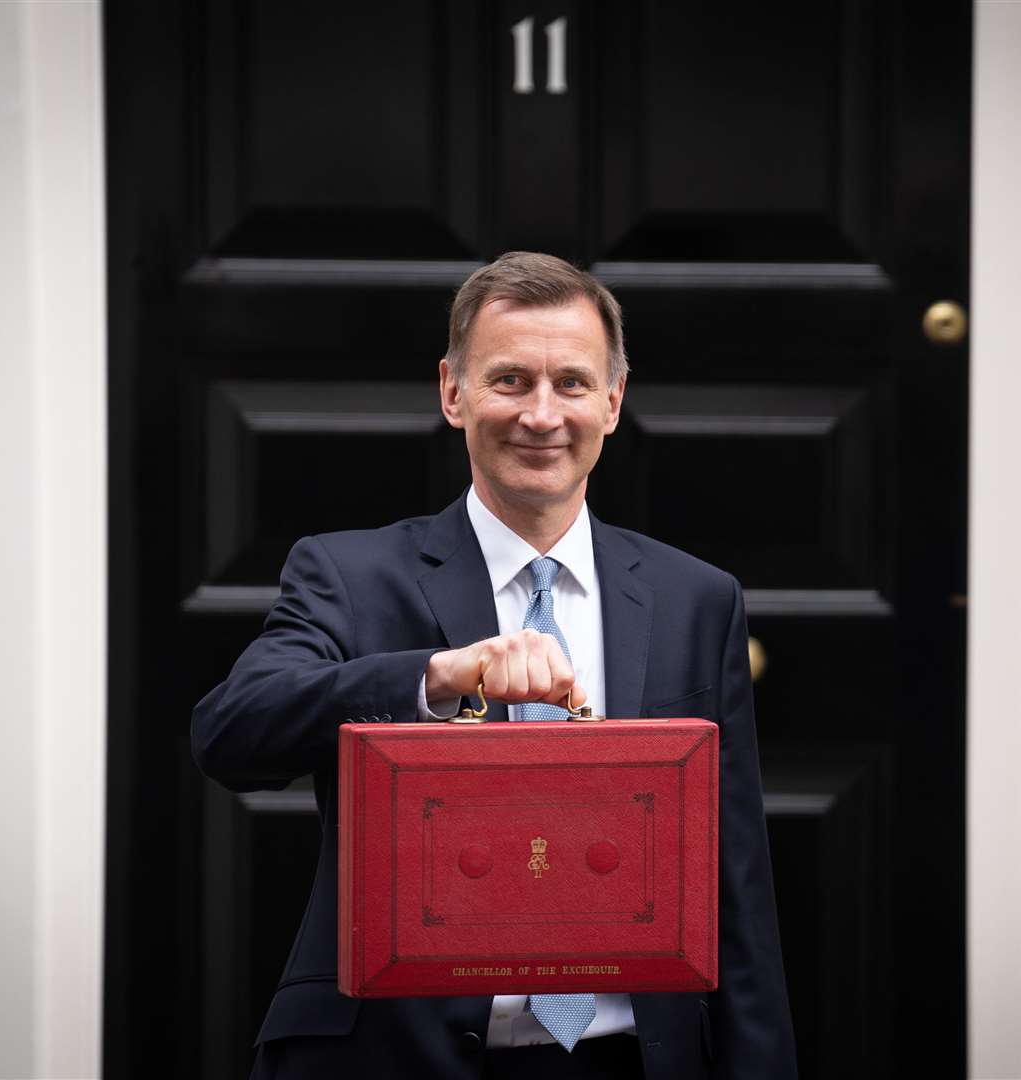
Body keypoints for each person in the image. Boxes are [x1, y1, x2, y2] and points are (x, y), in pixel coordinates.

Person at [192, 252, 797, 1080]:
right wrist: (436, 679)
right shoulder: (349, 574)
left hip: (631, 1058)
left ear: (614, 401)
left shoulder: (697, 597)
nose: (541, 415)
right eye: (510, 380)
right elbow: (231, 733)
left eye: (573, 384)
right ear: (453, 393)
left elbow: (737, 884)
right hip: (393, 1060)